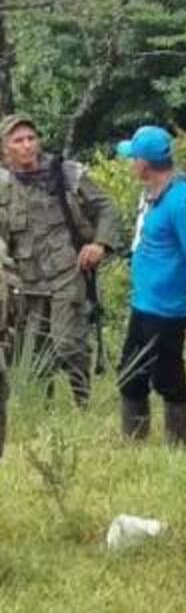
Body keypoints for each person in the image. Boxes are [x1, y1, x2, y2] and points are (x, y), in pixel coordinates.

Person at [0, 113, 120, 405]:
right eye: (18, 141)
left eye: (31, 138)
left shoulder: (65, 173)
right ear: (5, 149)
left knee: (67, 342)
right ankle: (45, 407)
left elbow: (107, 208)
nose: (27, 145)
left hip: (68, 272)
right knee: (35, 355)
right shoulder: (4, 186)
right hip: (27, 281)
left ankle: (83, 400)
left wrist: (100, 244)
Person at [116, 125, 186, 444]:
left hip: (167, 308)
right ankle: (134, 441)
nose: (131, 164)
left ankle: (177, 442)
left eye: (134, 158)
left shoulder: (179, 201)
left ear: (144, 163)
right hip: (144, 302)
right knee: (131, 375)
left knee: (168, 377)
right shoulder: (154, 196)